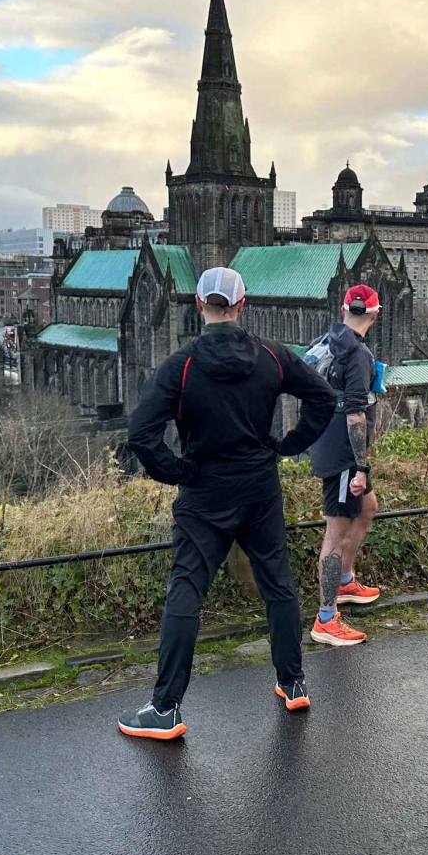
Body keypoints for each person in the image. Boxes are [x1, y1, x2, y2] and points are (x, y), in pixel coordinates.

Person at [119, 267, 337, 740]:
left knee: (187, 590)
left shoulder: (182, 365)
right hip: (259, 485)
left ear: (200, 307)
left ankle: (165, 709)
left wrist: (177, 471)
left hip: (204, 489)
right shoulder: (271, 357)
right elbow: (322, 397)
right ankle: (292, 681)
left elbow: (140, 433)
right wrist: (289, 443)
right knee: (277, 583)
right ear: (242, 305)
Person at [307, 285, 384, 648]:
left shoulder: (325, 342)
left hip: (327, 444)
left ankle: (344, 581)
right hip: (344, 457)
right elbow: (355, 412)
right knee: (336, 534)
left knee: (368, 508)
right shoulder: (357, 354)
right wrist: (360, 467)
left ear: (343, 309)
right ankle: (326, 617)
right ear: (375, 314)